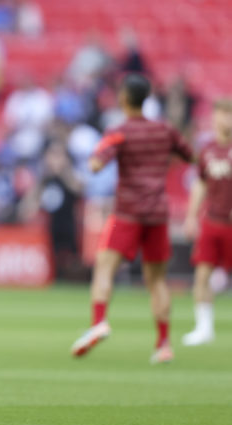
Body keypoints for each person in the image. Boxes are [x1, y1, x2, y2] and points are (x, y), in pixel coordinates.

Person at [70, 73, 193, 364]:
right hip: (157, 213)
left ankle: (99, 321)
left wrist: (94, 161)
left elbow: (97, 163)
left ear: (124, 98)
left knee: (104, 267)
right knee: (157, 280)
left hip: (127, 212)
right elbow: (189, 156)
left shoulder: (119, 131)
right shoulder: (165, 131)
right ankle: (163, 344)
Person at [182, 99, 232, 346]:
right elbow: (200, 184)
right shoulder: (208, 150)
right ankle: (204, 328)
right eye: (221, 114)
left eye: (228, 114)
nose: (224, 119)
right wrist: (191, 216)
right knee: (202, 275)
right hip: (212, 221)